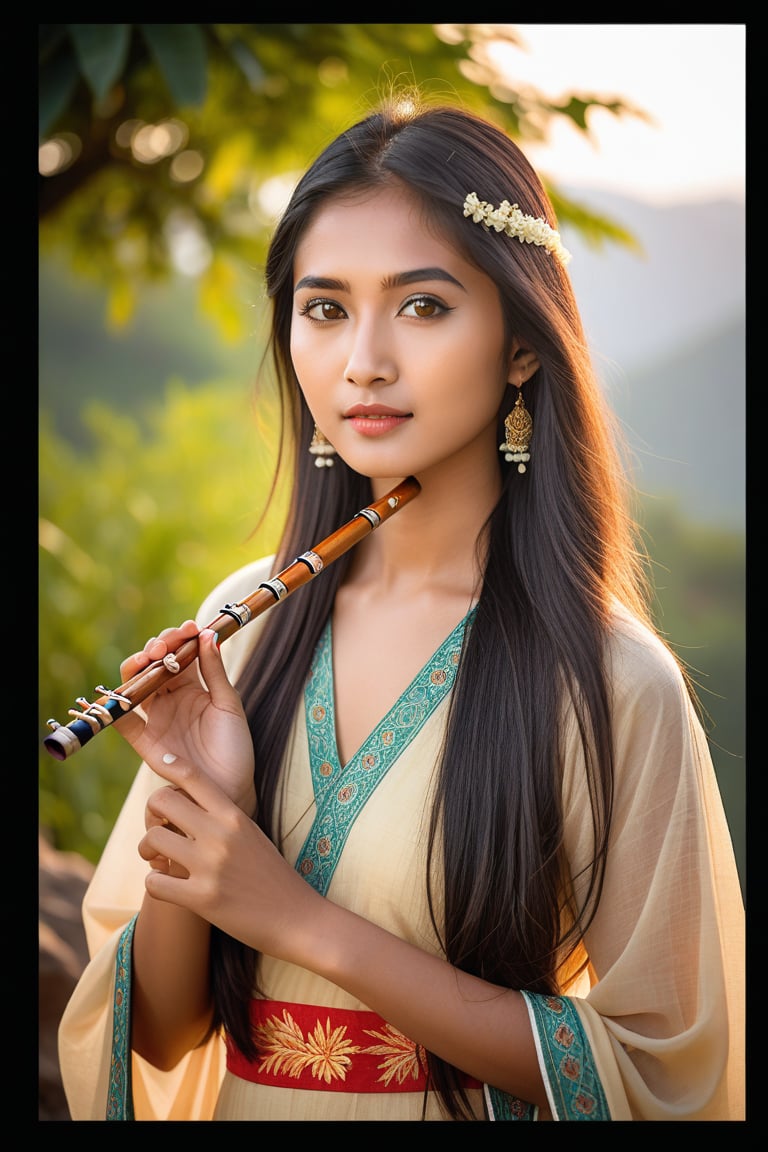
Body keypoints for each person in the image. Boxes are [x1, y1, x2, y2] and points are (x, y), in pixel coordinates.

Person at [57, 98, 745, 1122]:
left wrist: (298, 921)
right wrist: (195, 810)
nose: (361, 361)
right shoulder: (243, 622)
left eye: (422, 307)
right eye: (324, 308)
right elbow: (156, 1035)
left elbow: (663, 1072)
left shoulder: (610, 679)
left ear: (521, 345)